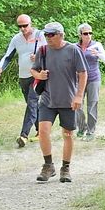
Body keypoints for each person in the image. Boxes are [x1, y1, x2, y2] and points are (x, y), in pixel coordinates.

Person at [30, 22, 86, 183]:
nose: (48, 38)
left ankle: (65, 168)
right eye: (46, 35)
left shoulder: (73, 50)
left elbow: (83, 73)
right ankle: (48, 166)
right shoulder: (43, 50)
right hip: (47, 98)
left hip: (68, 100)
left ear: (61, 35)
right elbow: (34, 69)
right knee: (43, 131)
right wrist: (38, 75)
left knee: (67, 134)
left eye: (51, 34)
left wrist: (79, 96)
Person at [0, 14, 47, 148]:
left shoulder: (40, 35)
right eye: (20, 26)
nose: (22, 29)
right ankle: (41, 131)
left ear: (31, 24)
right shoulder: (16, 39)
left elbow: (50, 52)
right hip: (23, 77)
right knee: (31, 104)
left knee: (32, 103)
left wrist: (39, 57)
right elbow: (7, 56)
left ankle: (24, 135)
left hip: (37, 75)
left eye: (25, 26)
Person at [75, 23, 105, 140]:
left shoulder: (96, 45)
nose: (88, 35)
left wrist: (98, 54)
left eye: (90, 33)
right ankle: (81, 127)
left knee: (92, 104)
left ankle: (91, 131)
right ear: (80, 35)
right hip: (79, 79)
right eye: (85, 33)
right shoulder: (75, 47)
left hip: (93, 78)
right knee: (77, 105)